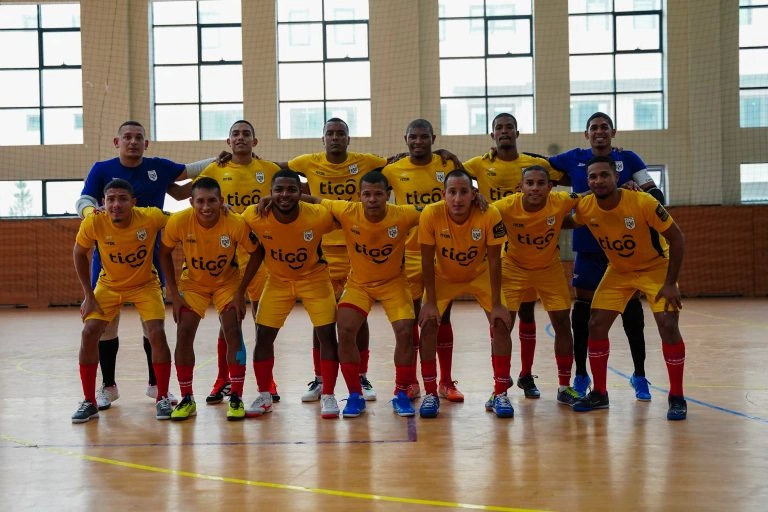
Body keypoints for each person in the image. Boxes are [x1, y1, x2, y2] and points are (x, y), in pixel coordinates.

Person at [76, 120, 214, 410]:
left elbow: (187, 175)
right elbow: (85, 199)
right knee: (104, 329)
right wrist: (93, 213)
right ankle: (107, 386)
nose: (133, 142)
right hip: (108, 264)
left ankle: (156, 386)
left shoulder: (158, 168)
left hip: (149, 260)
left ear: (146, 143)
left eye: (139, 137)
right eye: (127, 137)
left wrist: (219, 163)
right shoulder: (102, 170)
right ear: (117, 142)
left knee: (151, 328)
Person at [549, 112, 664, 400]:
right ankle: (581, 375)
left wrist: (641, 195)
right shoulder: (573, 158)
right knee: (584, 314)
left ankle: (639, 376)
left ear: (613, 131)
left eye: (604, 127)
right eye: (593, 128)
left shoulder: (630, 159)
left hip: (627, 251)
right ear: (585, 134)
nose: (599, 132)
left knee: (632, 313)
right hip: (589, 246)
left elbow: (656, 194)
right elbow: (535, 164)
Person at [568, 156, 687, 420]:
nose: (598, 181)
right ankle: (599, 393)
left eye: (603, 175)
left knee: (668, 324)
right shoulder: (586, 206)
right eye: (593, 177)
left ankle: (677, 396)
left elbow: (677, 238)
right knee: (596, 323)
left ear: (616, 178)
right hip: (619, 271)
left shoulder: (643, 202)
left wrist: (669, 283)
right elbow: (564, 221)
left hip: (655, 268)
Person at [283, 118, 388, 403]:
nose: (335, 137)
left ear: (348, 138)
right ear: (323, 138)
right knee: (323, 320)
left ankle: (361, 376)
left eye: (340, 133)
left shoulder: (365, 162)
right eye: (330, 133)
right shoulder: (307, 162)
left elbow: (396, 167)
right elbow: (279, 170)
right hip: (321, 250)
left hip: (357, 248)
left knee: (357, 316)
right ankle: (320, 378)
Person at [179, 120, 282, 405]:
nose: (240, 138)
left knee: (264, 324)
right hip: (228, 256)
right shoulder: (216, 169)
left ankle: (267, 380)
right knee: (230, 323)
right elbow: (177, 192)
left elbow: (298, 187)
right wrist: (209, 161)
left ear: (255, 140)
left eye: (246, 134)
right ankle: (223, 380)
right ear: (228, 141)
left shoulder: (270, 170)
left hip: (261, 253)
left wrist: (272, 199)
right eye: (235, 134)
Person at [464, 113, 565, 399]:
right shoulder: (479, 164)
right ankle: (501, 383)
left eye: (509, 127)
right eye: (499, 128)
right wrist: (473, 192)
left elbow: (567, 177)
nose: (504, 132)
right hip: (503, 252)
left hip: (538, 251)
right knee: (504, 319)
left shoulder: (536, 165)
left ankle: (526, 374)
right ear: (492, 134)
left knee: (529, 312)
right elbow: (452, 173)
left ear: (517, 133)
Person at [304, 171, 421, 417]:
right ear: (360, 196)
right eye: (367, 194)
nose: (372, 199)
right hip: (359, 285)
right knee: (345, 330)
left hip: (394, 284)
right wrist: (271, 200)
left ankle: (401, 393)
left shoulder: (404, 214)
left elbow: (434, 211)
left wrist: (474, 199)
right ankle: (355, 395)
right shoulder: (347, 211)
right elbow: (313, 199)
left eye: (378, 194)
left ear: (387, 195)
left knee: (405, 332)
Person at [158, 177, 262, 421]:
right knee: (183, 333)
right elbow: (163, 253)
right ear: (192, 201)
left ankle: (235, 395)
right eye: (201, 201)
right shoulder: (179, 221)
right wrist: (173, 292)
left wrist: (240, 292)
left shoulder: (235, 223)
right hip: (193, 284)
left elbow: (257, 253)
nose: (206, 207)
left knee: (232, 330)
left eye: (212, 201)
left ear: (221, 201)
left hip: (227, 283)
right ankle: (187, 398)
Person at [241, 171, 342, 419]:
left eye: (291, 190)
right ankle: (264, 394)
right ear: (271, 192)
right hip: (277, 282)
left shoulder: (317, 216)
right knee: (263, 337)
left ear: (300, 193)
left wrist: (315, 199)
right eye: (279, 190)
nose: (284, 195)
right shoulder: (254, 215)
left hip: (315, 280)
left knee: (327, 336)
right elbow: (229, 223)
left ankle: (328, 394)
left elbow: (347, 217)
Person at [72, 179, 173, 423]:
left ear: (133, 202)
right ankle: (89, 401)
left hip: (145, 284)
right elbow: (78, 252)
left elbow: (184, 220)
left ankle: (162, 396)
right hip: (109, 285)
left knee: (157, 332)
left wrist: (221, 210)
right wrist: (88, 294)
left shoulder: (150, 217)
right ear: (103, 203)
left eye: (122, 199)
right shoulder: (94, 221)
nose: (116, 204)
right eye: (110, 200)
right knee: (89, 332)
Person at [418, 170, 513, 418]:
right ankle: (430, 393)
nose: (458, 198)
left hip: (479, 275)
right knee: (428, 324)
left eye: (463, 192)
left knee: (501, 323)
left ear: (474, 195)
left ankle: (501, 393)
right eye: (452, 192)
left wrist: (497, 305)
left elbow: (494, 261)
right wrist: (429, 302)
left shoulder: (489, 214)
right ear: (444, 194)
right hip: (443, 277)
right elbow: (426, 261)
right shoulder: (431, 214)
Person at [382, 118, 461, 403]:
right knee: (414, 318)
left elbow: (464, 186)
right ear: (405, 139)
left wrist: (455, 158)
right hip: (409, 252)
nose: (418, 142)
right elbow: (371, 186)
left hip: (443, 251)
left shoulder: (447, 166)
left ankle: (446, 381)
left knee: (442, 317)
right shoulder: (392, 170)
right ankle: (411, 381)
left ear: (433, 138)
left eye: (423, 137)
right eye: (412, 137)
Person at [491, 165, 581, 407]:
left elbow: (588, 198)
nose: (535, 188)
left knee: (563, 323)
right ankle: (499, 390)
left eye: (541, 183)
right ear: (521, 187)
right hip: (513, 267)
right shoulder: (504, 207)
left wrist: (625, 189)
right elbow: (479, 213)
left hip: (548, 268)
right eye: (529, 183)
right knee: (502, 326)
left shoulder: (562, 201)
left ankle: (564, 387)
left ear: (550, 187)